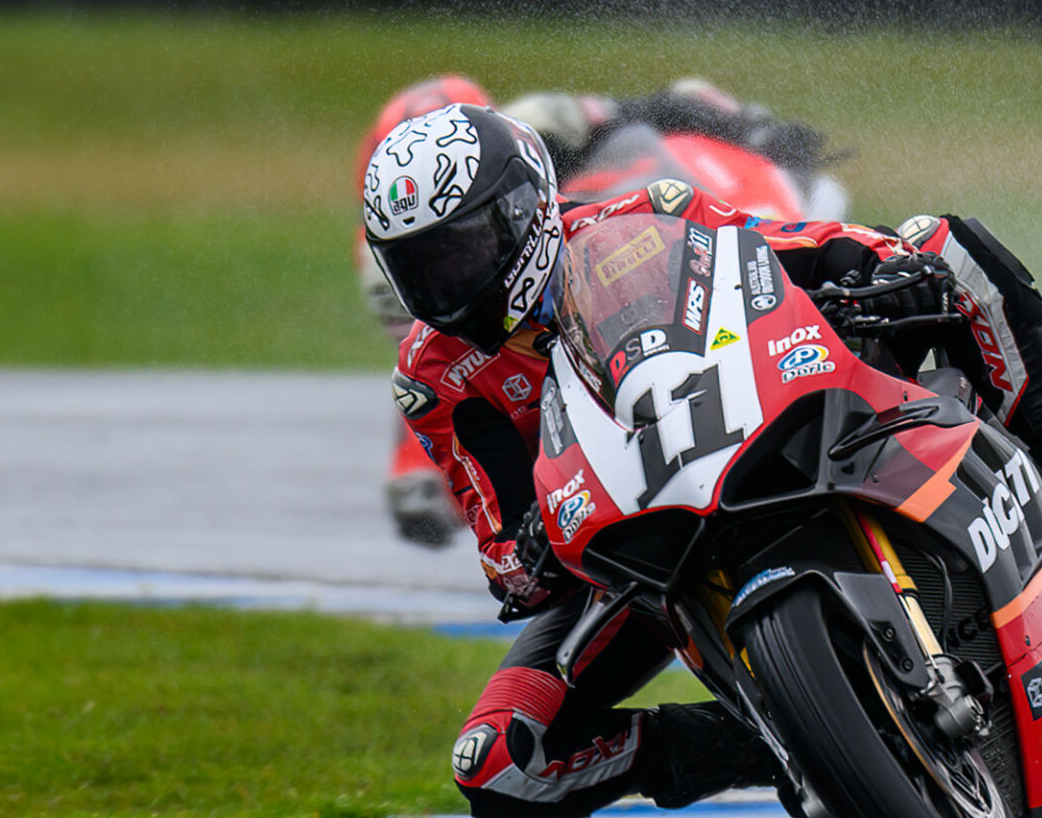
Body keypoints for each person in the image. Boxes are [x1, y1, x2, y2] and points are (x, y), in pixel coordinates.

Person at [361, 103, 1042, 818]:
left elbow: (774, 252)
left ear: (522, 210)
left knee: (950, 247)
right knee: (499, 762)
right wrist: (528, 544)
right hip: (630, 552)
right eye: (421, 267)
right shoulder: (434, 379)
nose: (449, 284)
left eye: (464, 248)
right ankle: (790, 739)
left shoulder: (642, 215)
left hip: (763, 424)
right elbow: (512, 570)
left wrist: (876, 263)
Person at [355, 76, 843, 547]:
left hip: (619, 231)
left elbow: (668, 103)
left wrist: (749, 129)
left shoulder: (539, 125)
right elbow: (439, 366)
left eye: (464, 246)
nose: (449, 270)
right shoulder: (395, 257)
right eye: (431, 267)